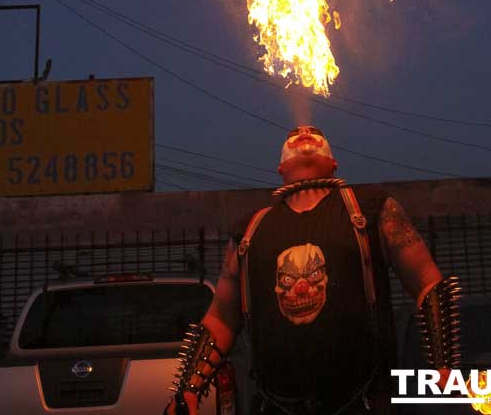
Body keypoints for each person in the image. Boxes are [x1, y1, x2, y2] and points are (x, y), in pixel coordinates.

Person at [164, 126, 459, 414]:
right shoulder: (250, 231)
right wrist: (186, 390)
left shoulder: (370, 209)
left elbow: (427, 281)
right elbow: (220, 319)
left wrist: (443, 364)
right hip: (275, 406)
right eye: (293, 135)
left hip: (363, 403)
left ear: (333, 163)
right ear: (280, 167)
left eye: (316, 134)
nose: (304, 132)